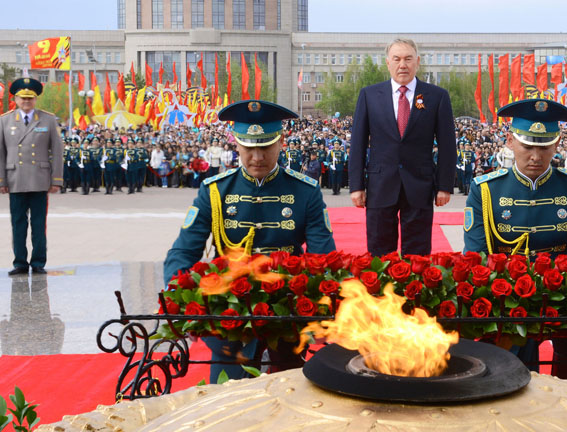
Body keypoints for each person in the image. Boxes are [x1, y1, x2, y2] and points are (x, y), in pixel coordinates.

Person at [163, 99, 336, 384]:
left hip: (286, 314)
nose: (257, 157)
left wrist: (320, 305)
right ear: (236, 145)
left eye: (266, 147)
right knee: (228, 396)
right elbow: (182, 252)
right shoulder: (215, 191)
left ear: (281, 142)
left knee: (289, 392)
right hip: (228, 316)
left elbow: (323, 256)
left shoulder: (305, 191)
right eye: (248, 147)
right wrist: (182, 304)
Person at [463, 98, 567, 381]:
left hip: (562, 294)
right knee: (514, 375)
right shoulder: (485, 190)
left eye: (544, 147)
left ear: (557, 145)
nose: (535, 156)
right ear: (510, 142)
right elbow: (476, 256)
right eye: (527, 146)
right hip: (507, 296)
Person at [349, 38, 456, 256]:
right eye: (396, 59)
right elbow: (358, 143)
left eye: (408, 59)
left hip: (420, 185)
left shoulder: (437, 96)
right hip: (380, 185)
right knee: (379, 253)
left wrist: (444, 186)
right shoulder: (369, 95)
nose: (402, 65)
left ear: (417, 62)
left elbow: (447, 145)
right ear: (388, 63)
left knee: (418, 255)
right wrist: (356, 186)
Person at [0, 77, 64, 275]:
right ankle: (20, 263)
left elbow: (57, 151)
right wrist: (1, 180)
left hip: (39, 180)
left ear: (36, 99)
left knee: (38, 224)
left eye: (30, 98)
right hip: (15, 179)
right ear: (16, 99)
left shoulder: (48, 119)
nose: (26, 102)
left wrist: (56, 179)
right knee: (18, 224)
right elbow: (1, 153)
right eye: (23, 98)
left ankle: (38, 262)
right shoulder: (4, 120)